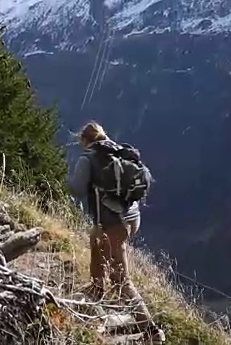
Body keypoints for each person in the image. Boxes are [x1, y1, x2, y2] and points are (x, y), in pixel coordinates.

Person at [67, 121, 166, 343]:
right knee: (96, 240)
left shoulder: (88, 157)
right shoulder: (117, 150)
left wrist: (69, 178)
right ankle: (96, 290)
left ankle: (151, 331)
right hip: (131, 218)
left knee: (121, 280)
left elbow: (76, 187)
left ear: (84, 140)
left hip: (114, 222)